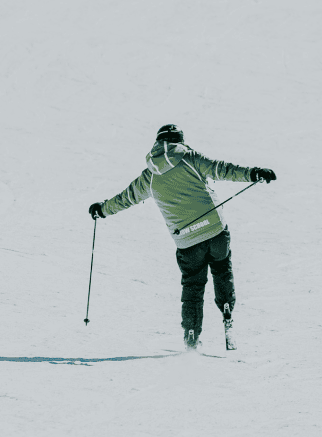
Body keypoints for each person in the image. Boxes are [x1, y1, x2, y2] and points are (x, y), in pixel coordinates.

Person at [88, 124, 276, 351]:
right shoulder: (190, 158)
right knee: (222, 269)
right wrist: (254, 173)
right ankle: (227, 311)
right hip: (216, 231)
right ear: (179, 142)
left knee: (193, 287)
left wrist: (103, 209)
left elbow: (126, 198)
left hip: (187, 243)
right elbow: (223, 169)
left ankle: (191, 334)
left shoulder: (149, 177)